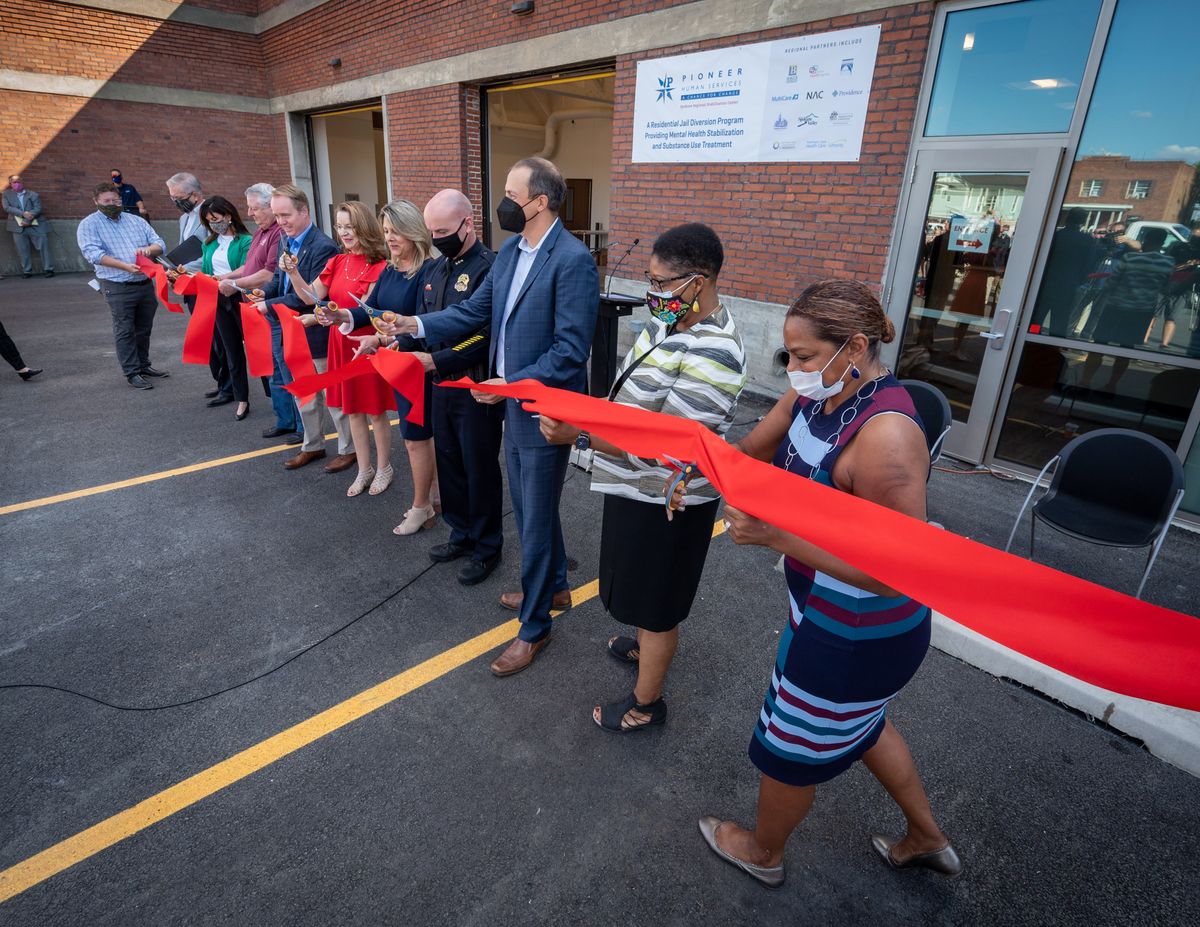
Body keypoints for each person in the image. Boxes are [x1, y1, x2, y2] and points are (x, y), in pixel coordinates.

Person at [690, 280, 959, 887]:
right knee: (862, 724)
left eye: (805, 357)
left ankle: (763, 853)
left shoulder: (886, 436)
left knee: (790, 751)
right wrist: (679, 464)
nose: (794, 369)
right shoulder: (814, 394)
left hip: (859, 628)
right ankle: (926, 837)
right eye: (789, 356)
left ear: (855, 347)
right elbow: (746, 456)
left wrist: (776, 537)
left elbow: (900, 575)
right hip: (823, 609)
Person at [385, 157, 598, 676]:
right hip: (509, 399)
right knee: (531, 506)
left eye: (510, 191)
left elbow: (571, 351)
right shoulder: (509, 254)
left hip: (542, 407)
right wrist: (414, 321)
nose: (501, 201)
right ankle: (554, 589)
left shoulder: (572, 260)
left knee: (532, 511)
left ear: (539, 201)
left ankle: (534, 627)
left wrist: (513, 384)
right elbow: (474, 312)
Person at [538, 223, 746, 731]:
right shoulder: (668, 321)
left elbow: (668, 448)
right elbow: (630, 403)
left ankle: (646, 704)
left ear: (697, 283)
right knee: (635, 580)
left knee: (659, 601)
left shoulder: (718, 350)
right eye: (649, 282)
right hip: (633, 485)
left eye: (660, 283)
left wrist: (580, 436)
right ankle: (643, 644)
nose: (652, 295)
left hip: (672, 501)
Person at [419, 188, 503, 582]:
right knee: (449, 461)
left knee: (479, 466)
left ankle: (487, 547)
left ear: (468, 223)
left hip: (475, 387)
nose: (437, 239)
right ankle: (462, 532)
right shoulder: (435, 269)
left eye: (443, 230)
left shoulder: (490, 267)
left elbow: (485, 332)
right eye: (431, 232)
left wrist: (440, 358)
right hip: (439, 384)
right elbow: (423, 322)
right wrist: (392, 339)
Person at [343, 200, 442, 527]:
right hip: (397, 364)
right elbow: (370, 310)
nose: (390, 238)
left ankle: (421, 507)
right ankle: (436, 498)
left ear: (414, 230)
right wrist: (341, 315)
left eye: (396, 231)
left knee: (416, 439)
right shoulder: (390, 268)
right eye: (386, 231)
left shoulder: (429, 271)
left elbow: (421, 324)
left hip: (419, 366)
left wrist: (382, 339)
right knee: (422, 438)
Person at [288, 201, 390, 496]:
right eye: (340, 226)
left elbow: (368, 310)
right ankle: (364, 469)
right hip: (339, 343)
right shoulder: (338, 262)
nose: (344, 232)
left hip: (366, 343)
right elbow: (311, 296)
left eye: (350, 226)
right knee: (352, 409)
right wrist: (294, 273)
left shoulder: (379, 266)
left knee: (375, 410)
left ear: (364, 228)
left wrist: (326, 316)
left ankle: (384, 467)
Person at [252, 183, 345, 471]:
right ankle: (313, 445)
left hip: (316, 332)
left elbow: (312, 297)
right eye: (277, 216)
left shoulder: (323, 246)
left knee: (332, 397)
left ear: (304, 211)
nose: (281, 222)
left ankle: (348, 449)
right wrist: (264, 294)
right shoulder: (285, 239)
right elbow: (279, 280)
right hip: (291, 331)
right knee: (304, 393)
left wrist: (271, 303)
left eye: (286, 215)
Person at [219, 183, 296, 441]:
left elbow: (268, 273)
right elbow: (250, 266)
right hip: (258, 309)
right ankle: (285, 419)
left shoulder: (277, 235)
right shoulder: (261, 233)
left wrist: (233, 284)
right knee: (272, 368)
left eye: (254, 208)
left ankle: (298, 425)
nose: (249, 213)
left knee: (283, 368)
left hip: (272, 309)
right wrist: (227, 276)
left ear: (270, 208)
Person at [76, 182, 167, 388]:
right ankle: (132, 372)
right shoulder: (89, 224)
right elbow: (93, 254)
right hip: (117, 285)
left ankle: (144, 365)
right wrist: (124, 266)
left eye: (116, 200)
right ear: (96, 202)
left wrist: (149, 250)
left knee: (144, 328)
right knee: (125, 329)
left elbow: (159, 243)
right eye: (107, 201)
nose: (112, 204)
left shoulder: (136, 221)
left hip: (144, 283)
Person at [1081, 227, 1175, 392]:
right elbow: (1166, 288)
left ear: (1146, 240)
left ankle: (1085, 382)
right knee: (1125, 350)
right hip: (1141, 312)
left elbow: (1112, 283)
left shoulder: (1130, 258)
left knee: (1099, 345)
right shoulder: (1168, 263)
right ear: (1161, 243)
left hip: (1116, 307)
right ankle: (1111, 386)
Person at [166, 172, 227, 402]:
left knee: (219, 338)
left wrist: (182, 268)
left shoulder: (210, 216)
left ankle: (229, 387)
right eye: (172, 197)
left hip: (206, 282)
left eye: (178, 197)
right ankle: (221, 382)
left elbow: (213, 253)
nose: (175, 201)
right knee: (207, 338)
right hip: (189, 283)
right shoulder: (184, 218)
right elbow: (186, 247)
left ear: (194, 194)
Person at [198, 196, 253, 420]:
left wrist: (224, 278)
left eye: (216, 218)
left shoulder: (245, 240)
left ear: (228, 216)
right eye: (208, 220)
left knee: (257, 348)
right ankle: (241, 399)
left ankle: (274, 395)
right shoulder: (209, 243)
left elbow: (247, 268)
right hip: (218, 300)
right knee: (232, 351)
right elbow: (204, 269)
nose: (213, 224)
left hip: (242, 298)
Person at [1029, 208, 1098, 337]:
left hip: (1047, 283)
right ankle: (1053, 346)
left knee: (1037, 318)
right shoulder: (1088, 241)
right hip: (1068, 286)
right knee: (1059, 321)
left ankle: (1031, 339)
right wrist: (1079, 281)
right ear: (1083, 222)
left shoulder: (1054, 236)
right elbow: (1089, 267)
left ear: (1067, 219)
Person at [3, 174, 54, 278]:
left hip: (35, 225)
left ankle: (49, 269)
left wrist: (27, 219)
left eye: (19, 181)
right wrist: (23, 214)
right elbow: (7, 208)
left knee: (44, 246)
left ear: (23, 182)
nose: (17, 184)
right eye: (14, 182)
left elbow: (38, 208)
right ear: (10, 184)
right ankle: (27, 271)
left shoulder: (33, 194)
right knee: (22, 249)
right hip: (17, 227)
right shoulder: (6, 194)